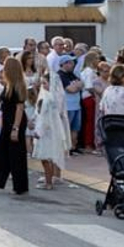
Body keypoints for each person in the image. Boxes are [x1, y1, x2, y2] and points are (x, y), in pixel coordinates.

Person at [0, 57, 30, 194]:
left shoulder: (17, 86)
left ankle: (18, 186)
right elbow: (0, 100)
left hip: (14, 122)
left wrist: (15, 128)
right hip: (9, 120)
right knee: (3, 151)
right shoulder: (10, 85)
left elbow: (19, 108)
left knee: (15, 153)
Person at [34, 57, 72, 190]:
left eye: (45, 83)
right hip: (54, 130)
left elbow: (45, 118)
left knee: (46, 158)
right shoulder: (56, 98)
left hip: (46, 132)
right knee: (51, 156)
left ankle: (48, 182)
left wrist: (38, 132)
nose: (43, 86)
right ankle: (52, 177)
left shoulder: (47, 99)